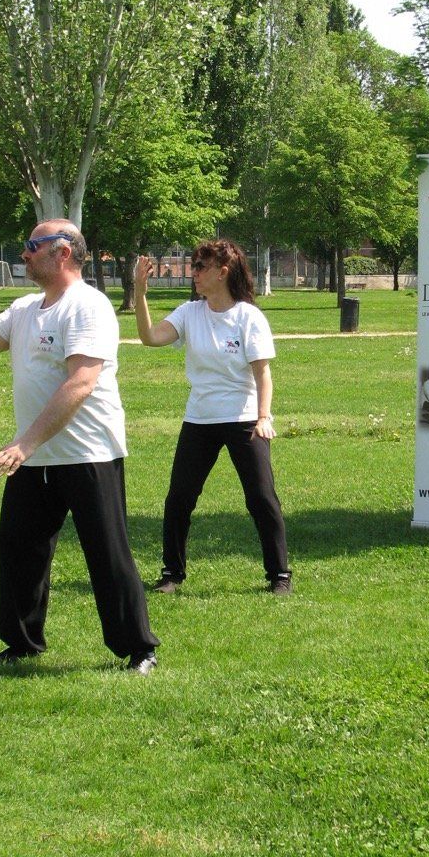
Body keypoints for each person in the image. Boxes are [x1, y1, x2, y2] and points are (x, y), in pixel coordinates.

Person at [0, 220, 160, 673]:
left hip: (88, 453)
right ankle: (22, 644)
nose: (23, 254)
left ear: (62, 252)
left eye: (31, 246)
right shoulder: (25, 308)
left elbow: (80, 382)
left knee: (108, 553)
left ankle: (139, 649)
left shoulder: (87, 306)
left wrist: (24, 442)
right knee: (20, 549)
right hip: (35, 456)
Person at [134, 239, 291, 595]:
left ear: (223, 273)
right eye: (194, 266)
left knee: (261, 498)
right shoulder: (190, 313)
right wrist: (140, 293)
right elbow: (150, 338)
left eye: (201, 267)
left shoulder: (249, 316)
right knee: (179, 499)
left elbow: (262, 373)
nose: (194, 274)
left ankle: (279, 575)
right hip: (200, 419)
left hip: (244, 419)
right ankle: (172, 574)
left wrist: (263, 417)